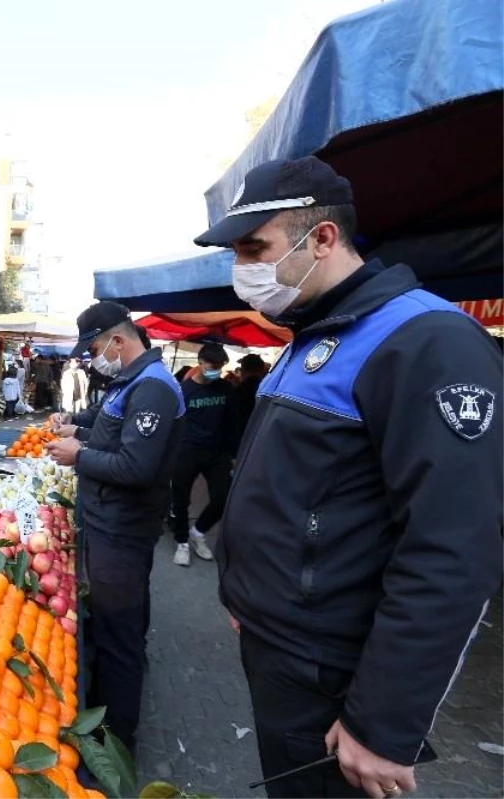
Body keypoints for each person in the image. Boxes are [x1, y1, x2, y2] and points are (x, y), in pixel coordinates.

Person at [194, 155, 504, 798]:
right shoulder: (309, 338)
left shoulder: (426, 341)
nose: (241, 269)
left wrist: (385, 722)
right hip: (280, 650)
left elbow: (453, 548)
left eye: (255, 247)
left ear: (324, 238)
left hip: (335, 679)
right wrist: (247, 595)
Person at [45, 301, 185, 753]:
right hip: (107, 523)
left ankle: (117, 738)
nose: (92, 359)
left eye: (95, 349)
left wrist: (78, 456)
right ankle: (106, 712)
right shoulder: (130, 381)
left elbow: (136, 466)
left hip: (123, 531)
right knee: (112, 624)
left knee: (118, 636)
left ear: (118, 341)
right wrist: (75, 428)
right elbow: (109, 430)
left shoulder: (154, 389)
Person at [168, 342, 237, 567]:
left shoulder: (226, 389)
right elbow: (173, 424)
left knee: (223, 497)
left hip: (217, 453)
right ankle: (182, 542)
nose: (216, 369)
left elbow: (231, 422)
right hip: (187, 451)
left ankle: (198, 532)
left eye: (220, 366)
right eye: (212, 365)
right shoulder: (183, 391)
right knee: (180, 500)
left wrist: (232, 453)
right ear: (200, 362)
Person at [233, 353, 266, 439]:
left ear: (243, 370)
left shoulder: (241, 389)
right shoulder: (266, 387)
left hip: (243, 434)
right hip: (261, 433)